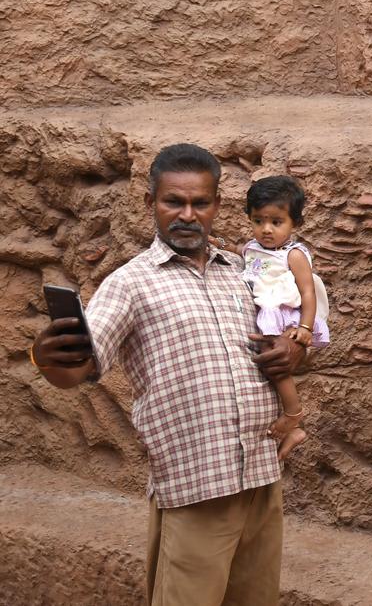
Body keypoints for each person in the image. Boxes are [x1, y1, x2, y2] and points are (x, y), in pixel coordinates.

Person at [30, 143, 307, 606]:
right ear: (150, 204)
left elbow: (288, 330)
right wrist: (46, 356)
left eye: (200, 203)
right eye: (173, 202)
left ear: (216, 205)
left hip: (262, 473)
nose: (187, 214)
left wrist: (291, 348)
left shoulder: (243, 271)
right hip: (197, 486)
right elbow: (79, 365)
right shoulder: (130, 283)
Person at [241, 175, 330, 459]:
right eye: (258, 221)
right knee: (266, 369)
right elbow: (244, 257)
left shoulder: (293, 255)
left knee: (276, 366)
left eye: (276, 222)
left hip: (282, 316)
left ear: (295, 223)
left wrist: (305, 326)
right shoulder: (252, 248)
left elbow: (308, 291)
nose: (266, 230)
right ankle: (292, 429)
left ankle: (294, 414)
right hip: (264, 312)